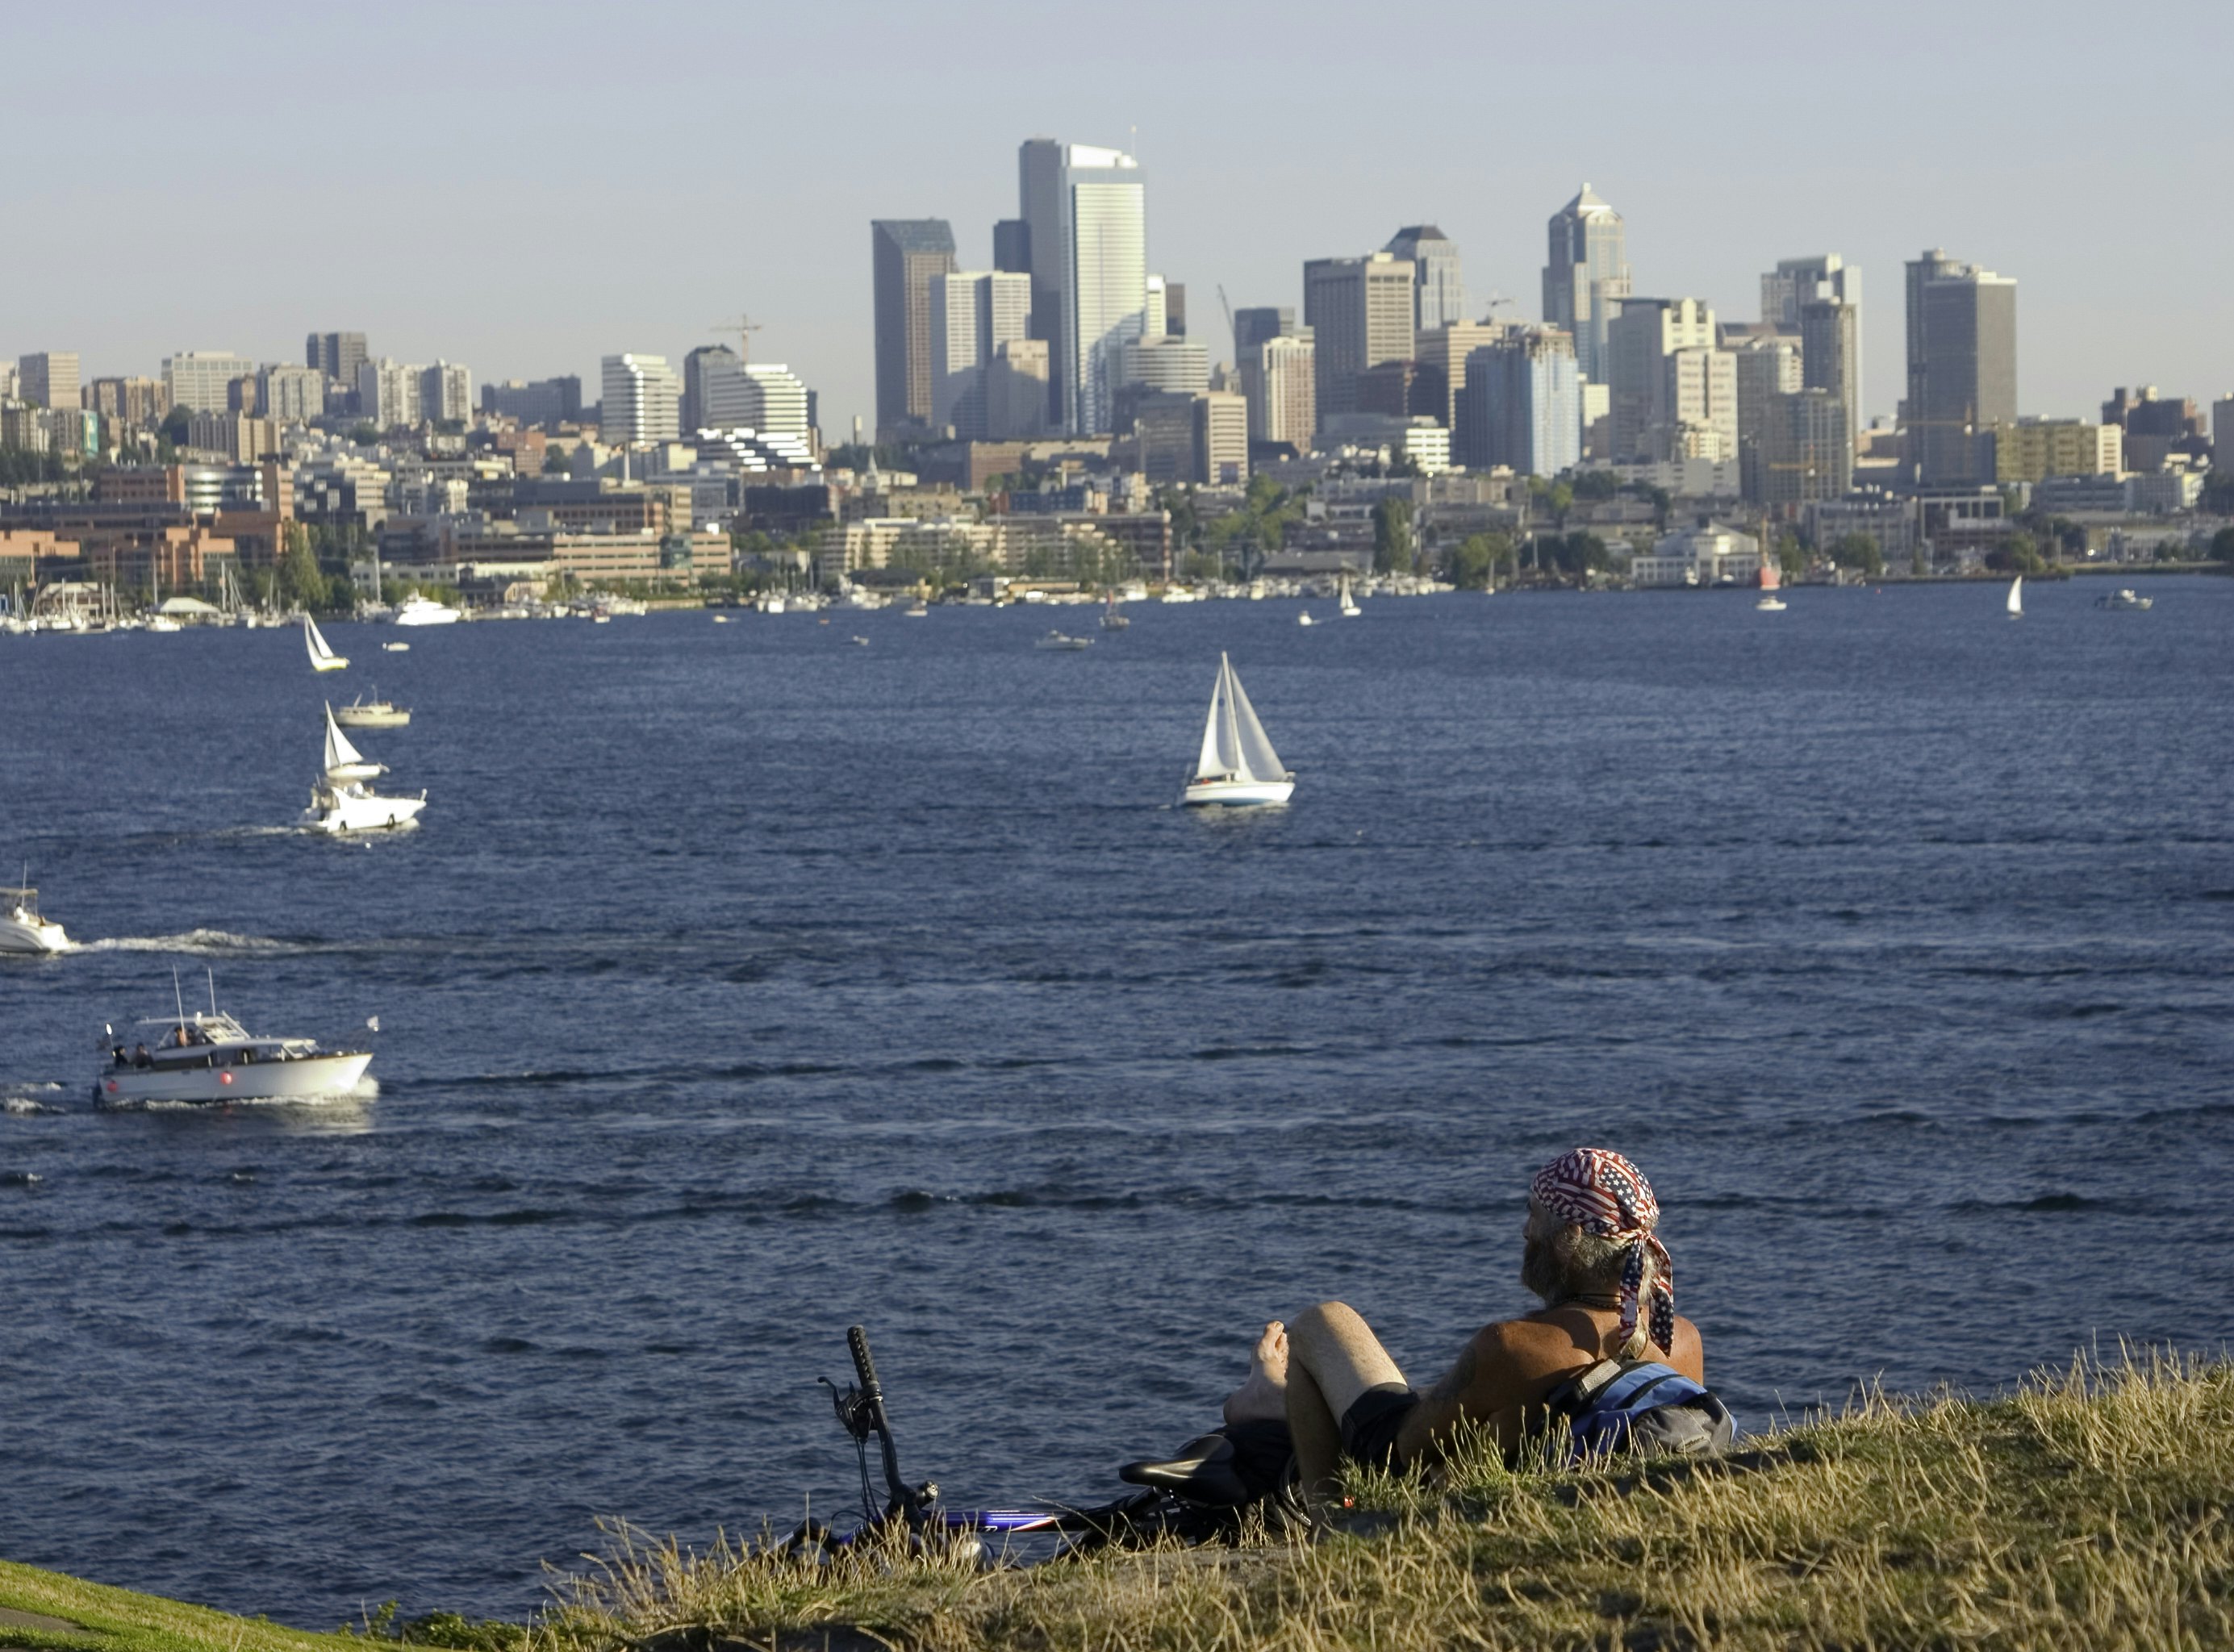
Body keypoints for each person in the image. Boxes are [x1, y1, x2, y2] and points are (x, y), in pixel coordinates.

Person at [1218, 1147, 1705, 1501]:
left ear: (1571, 1238)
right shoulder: (1680, 1340)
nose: (1525, 1232)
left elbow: (1407, 1449)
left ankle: (1329, 1520)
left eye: (1534, 1216)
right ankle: (1277, 1399)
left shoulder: (1512, 1346)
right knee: (1481, 1404)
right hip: (1553, 1489)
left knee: (1320, 1323)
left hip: (1414, 1470)